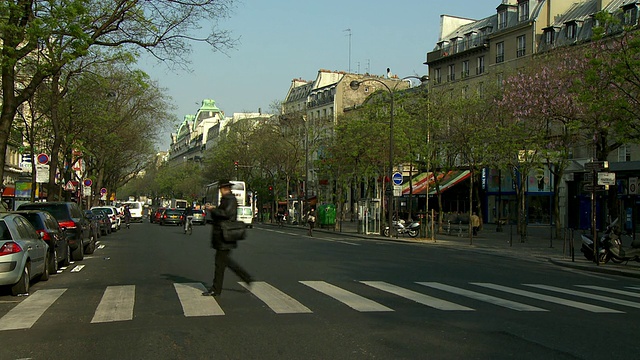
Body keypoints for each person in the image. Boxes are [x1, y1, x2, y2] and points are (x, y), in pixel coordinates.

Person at [202, 180, 253, 297]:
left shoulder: (229, 199)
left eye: (221, 188)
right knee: (225, 262)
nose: (220, 190)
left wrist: (212, 209)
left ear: (224, 188)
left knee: (220, 264)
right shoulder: (228, 199)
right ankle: (246, 278)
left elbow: (225, 214)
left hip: (224, 236)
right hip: (223, 236)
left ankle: (216, 289)